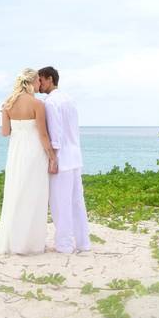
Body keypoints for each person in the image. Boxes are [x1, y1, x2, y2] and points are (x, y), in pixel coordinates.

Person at [0, 68, 58, 254]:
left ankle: (13, 241)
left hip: (16, 153)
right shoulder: (37, 104)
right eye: (38, 81)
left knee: (15, 193)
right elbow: (43, 135)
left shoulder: (7, 104)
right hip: (34, 153)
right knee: (34, 195)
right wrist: (52, 157)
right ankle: (30, 243)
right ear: (32, 82)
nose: (39, 85)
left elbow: (5, 133)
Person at [39, 66, 91, 254]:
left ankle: (64, 245)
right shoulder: (69, 99)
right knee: (77, 201)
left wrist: (53, 159)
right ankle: (83, 242)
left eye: (41, 80)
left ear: (50, 79)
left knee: (60, 204)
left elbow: (56, 134)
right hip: (76, 156)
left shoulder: (50, 102)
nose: (39, 85)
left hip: (62, 159)